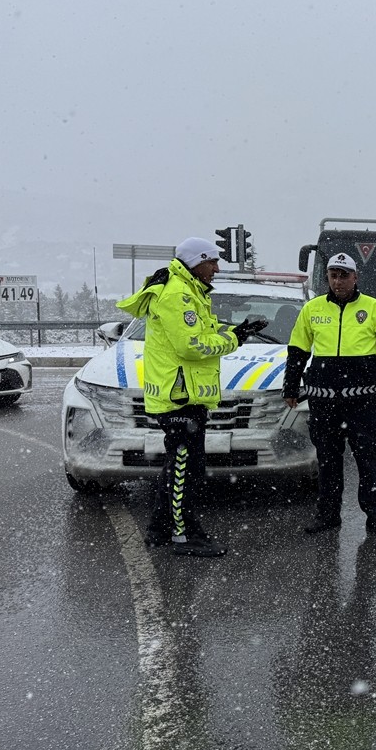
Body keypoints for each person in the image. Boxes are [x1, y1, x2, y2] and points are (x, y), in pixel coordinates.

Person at [117, 236, 268, 557]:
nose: (216, 268)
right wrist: (233, 342)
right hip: (180, 398)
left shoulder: (189, 291)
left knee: (178, 465)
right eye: (211, 262)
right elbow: (192, 346)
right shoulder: (178, 295)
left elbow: (203, 333)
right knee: (186, 469)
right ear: (194, 262)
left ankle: (159, 529)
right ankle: (184, 536)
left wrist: (236, 332)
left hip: (184, 396)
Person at [283, 252, 376, 536]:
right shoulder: (312, 310)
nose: (338, 282)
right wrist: (290, 388)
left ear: (355, 278)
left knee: (367, 459)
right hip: (323, 402)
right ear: (327, 277)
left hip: (362, 402)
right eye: (333, 276)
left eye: (344, 276)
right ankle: (328, 515)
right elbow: (297, 351)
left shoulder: (374, 309)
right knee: (327, 461)